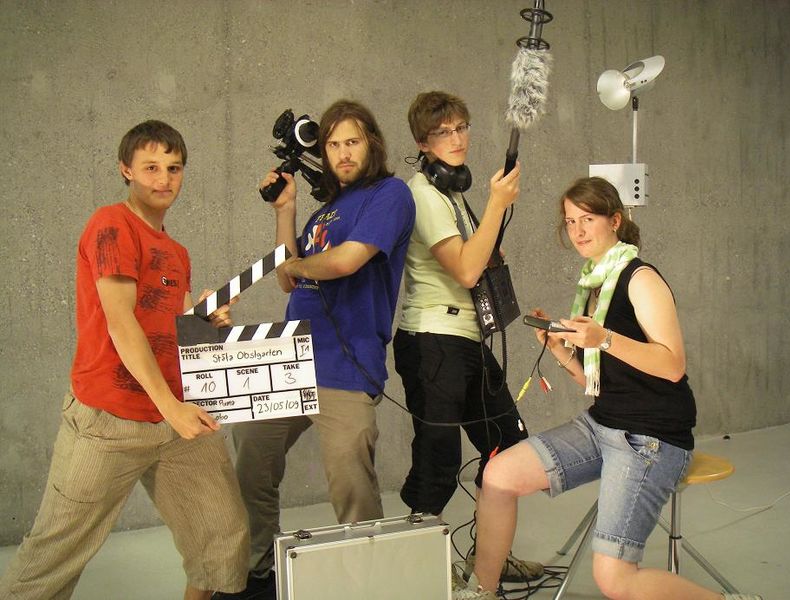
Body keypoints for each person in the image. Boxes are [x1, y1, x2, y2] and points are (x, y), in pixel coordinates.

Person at [454, 176, 762, 600]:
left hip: (651, 438)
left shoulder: (639, 279)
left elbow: (672, 365)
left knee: (614, 578)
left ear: (615, 220)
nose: (578, 231)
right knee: (498, 475)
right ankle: (481, 591)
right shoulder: (595, 281)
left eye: (588, 219)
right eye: (570, 221)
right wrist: (560, 350)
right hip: (603, 424)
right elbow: (598, 382)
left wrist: (604, 339)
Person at [0, 120, 249, 600]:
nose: (164, 179)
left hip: (176, 420)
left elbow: (167, 325)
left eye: (174, 168)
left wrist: (204, 319)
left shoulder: (176, 252)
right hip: (108, 420)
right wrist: (172, 408)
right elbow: (121, 323)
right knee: (53, 556)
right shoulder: (111, 225)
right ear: (125, 170)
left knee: (223, 539)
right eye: (151, 167)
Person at [218, 100, 415, 600]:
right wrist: (286, 211)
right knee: (251, 450)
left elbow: (346, 261)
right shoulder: (324, 211)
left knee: (350, 477)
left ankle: (368, 581)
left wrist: (298, 266)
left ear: (371, 143)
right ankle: (258, 569)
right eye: (333, 145)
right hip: (292, 359)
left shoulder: (389, 194)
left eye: (352, 142)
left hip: (346, 365)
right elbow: (288, 279)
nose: (343, 153)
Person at [392, 91, 542, 583]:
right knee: (438, 461)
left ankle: (488, 560)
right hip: (433, 340)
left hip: (465, 339)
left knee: (508, 446)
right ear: (422, 142)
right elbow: (466, 269)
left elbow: (481, 257)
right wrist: (497, 204)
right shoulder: (423, 193)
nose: (456, 139)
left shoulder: (452, 190)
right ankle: (421, 576)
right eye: (443, 132)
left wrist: (490, 220)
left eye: (461, 128)